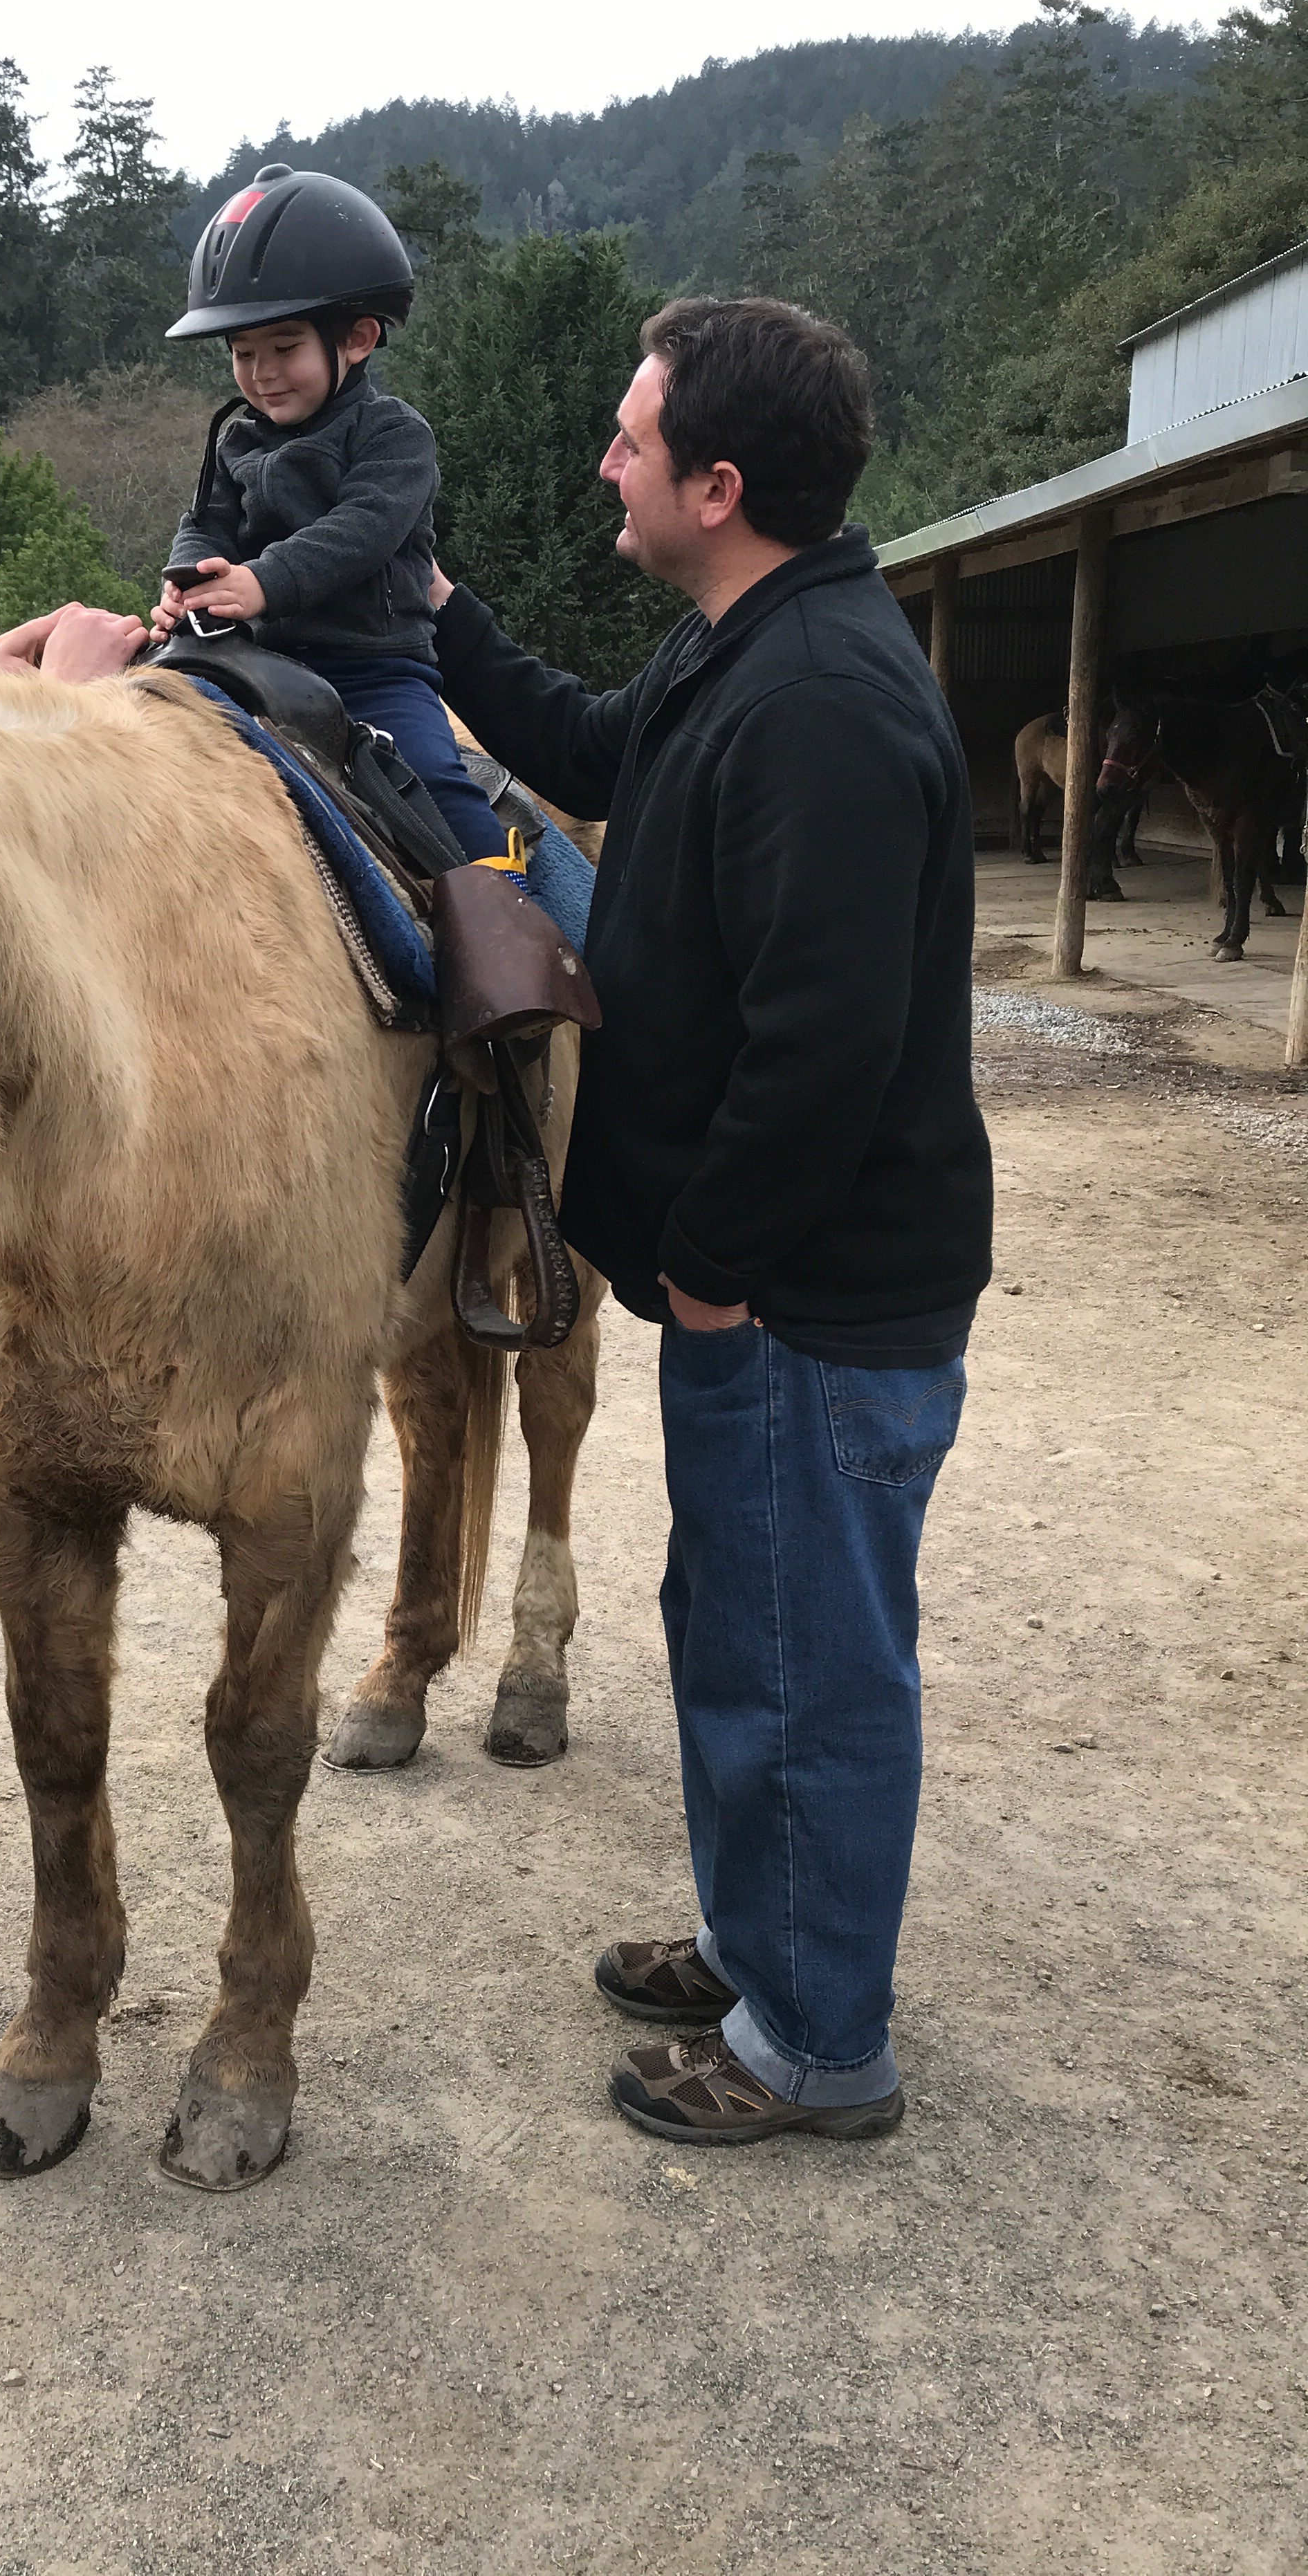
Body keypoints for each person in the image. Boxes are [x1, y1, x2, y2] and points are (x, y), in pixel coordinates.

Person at [429, 299, 993, 2145]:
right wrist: (442, 625)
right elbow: (593, 745)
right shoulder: (739, 646)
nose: (606, 460)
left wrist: (711, 1262)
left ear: (720, 483)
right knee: (739, 1625)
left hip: (805, 1302)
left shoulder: (823, 704)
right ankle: (770, 1953)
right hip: (765, 1296)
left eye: (630, 438)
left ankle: (819, 2044)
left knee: (812, 1662)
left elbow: (825, 1048)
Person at [152, 164, 513, 872]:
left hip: (372, 671)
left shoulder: (395, 437)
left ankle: (518, 936)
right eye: (242, 353)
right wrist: (187, 578)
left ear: (358, 338)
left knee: (441, 792)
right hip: (252, 664)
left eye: (284, 347)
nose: (261, 373)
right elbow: (205, 522)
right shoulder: (237, 440)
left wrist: (261, 582)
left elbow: (360, 532)